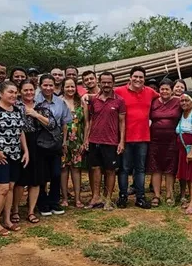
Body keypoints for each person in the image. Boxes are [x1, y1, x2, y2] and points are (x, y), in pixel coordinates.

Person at [0, 81, 29, 236]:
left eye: (15, 92)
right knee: (2, 189)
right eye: (10, 92)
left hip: (15, 154)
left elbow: (20, 131)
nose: (13, 95)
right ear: (1, 93)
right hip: (0, 156)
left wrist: (26, 151)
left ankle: (7, 220)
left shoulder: (17, 110)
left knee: (10, 188)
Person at [13, 81, 57, 224]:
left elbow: (51, 124)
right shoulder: (15, 106)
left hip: (38, 144)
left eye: (31, 90)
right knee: (21, 180)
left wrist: (35, 114)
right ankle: (15, 210)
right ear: (20, 91)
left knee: (36, 180)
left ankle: (31, 211)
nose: (29, 93)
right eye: (25, 90)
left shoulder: (41, 107)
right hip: (20, 142)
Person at [114, 65, 158, 209]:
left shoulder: (150, 92)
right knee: (124, 169)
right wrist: (84, 94)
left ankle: (140, 197)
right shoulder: (119, 91)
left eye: (141, 77)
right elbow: (102, 93)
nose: (138, 79)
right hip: (124, 138)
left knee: (140, 169)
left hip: (143, 138)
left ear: (144, 79)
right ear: (130, 78)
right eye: (136, 77)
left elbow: (167, 96)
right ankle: (123, 197)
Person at [83, 72, 126, 210]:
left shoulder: (119, 100)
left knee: (110, 170)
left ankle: (108, 200)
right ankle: (96, 197)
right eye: (104, 82)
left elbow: (122, 122)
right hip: (94, 140)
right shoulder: (94, 100)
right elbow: (89, 121)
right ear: (99, 82)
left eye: (109, 82)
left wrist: (121, 142)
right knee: (95, 169)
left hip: (111, 141)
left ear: (113, 83)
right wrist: (86, 139)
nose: (106, 85)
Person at [35, 74, 72, 216]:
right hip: (39, 142)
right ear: (40, 86)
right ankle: (42, 203)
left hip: (55, 142)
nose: (48, 88)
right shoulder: (35, 100)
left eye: (51, 85)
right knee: (42, 174)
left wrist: (64, 141)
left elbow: (64, 122)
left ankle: (54, 201)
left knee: (56, 173)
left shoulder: (60, 102)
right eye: (45, 85)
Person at [147, 79, 182, 206]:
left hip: (172, 140)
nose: (164, 91)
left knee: (170, 168)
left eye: (167, 89)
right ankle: (156, 195)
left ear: (172, 90)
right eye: (162, 89)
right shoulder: (153, 102)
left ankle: (169, 195)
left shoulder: (179, 101)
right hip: (155, 141)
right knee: (156, 168)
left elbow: (191, 106)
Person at [60, 78, 88, 208]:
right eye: (67, 87)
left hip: (78, 141)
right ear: (63, 87)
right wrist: (62, 141)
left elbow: (86, 122)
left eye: (72, 87)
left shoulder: (81, 101)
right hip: (63, 141)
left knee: (76, 170)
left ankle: (77, 199)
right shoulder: (59, 101)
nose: (70, 89)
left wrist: (85, 140)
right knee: (64, 170)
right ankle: (65, 198)